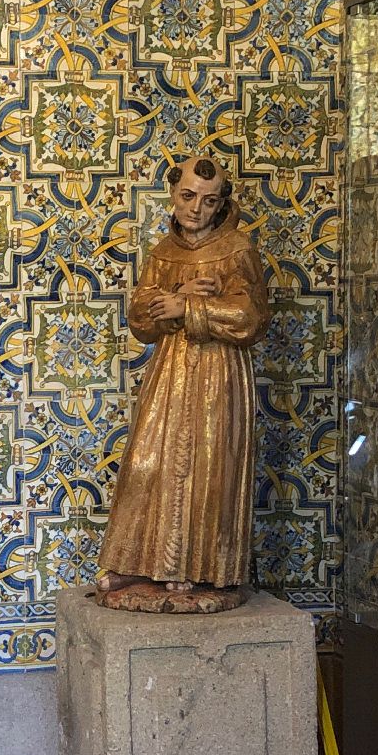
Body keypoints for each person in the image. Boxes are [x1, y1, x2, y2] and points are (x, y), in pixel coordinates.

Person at [95, 156, 271, 610]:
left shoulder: (236, 249)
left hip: (218, 373)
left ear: (221, 204)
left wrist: (188, 309)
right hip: (170, 373)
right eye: (188, 197)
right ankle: (139, 562)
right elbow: (141, 320)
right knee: (148, 462)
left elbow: (250, 317)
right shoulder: (162, 252)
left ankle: (201, 570)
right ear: (173, 196)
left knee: (209, 466)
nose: (196, 209)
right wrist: (174, 298)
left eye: (208, 201)